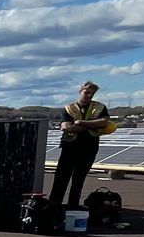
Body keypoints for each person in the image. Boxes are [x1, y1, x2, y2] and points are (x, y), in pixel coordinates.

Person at [48, 80, 116, 210]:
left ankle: (73, 205)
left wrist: (80, 122)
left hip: (89, 147)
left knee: (79, 178)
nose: (89, 96)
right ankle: (54, 205)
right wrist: (92, 125)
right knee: (62, 176)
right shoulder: (69, 108)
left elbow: (104, 123)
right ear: (80, 91)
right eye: (86, 92)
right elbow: (67, 128)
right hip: (70, 147)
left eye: (92, 94)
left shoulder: (99, 107)